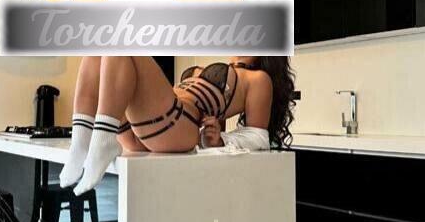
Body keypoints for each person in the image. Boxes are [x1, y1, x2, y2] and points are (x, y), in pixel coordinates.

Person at [60, 56, 296, 195]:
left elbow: (258, 137)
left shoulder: (259, 79)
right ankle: (81, 143)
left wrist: (222, 140)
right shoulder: (228, 68)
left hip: (176, 125)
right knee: (99, 46)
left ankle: (102, 140)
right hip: (143, 131)